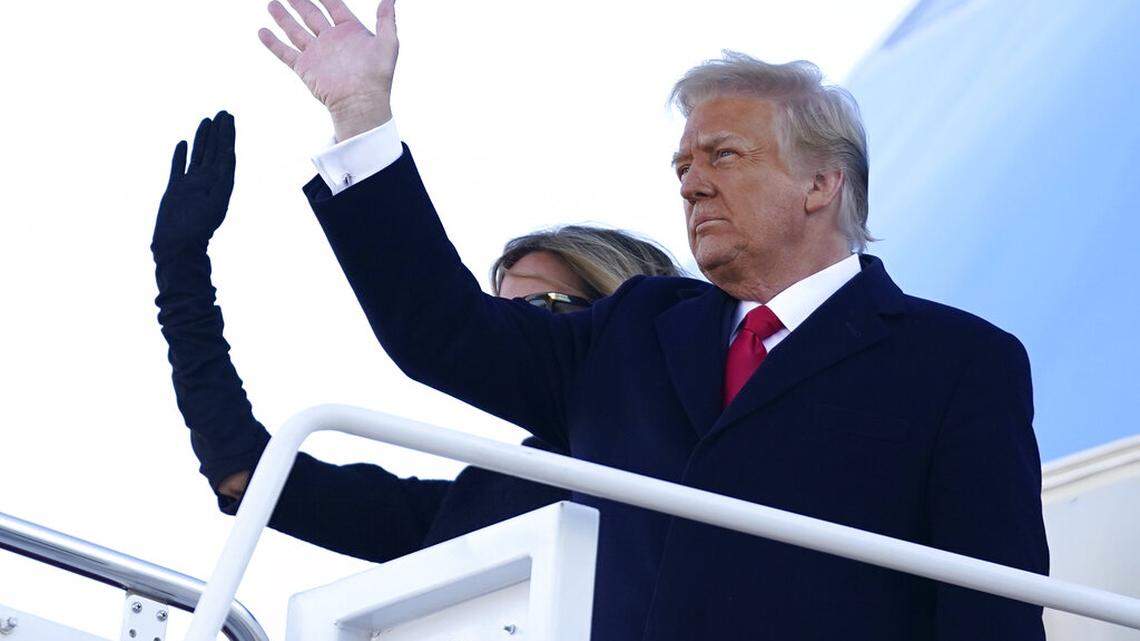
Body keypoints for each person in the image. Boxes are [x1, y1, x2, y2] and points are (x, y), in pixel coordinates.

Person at [257, 1, 1049, 640]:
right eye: (682, 166)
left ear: (821, 183)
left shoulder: (957, 363)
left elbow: (992, 611)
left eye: (723, 156)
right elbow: (443, 330)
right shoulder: (631, 330)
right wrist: (362, 117)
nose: (692, 184)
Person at [151, 111, 683, 560]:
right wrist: (181, 270)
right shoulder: (478, 502)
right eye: (498, 312)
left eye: (542, 308)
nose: (511, 328)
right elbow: (245, 471)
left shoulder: (708, 442)